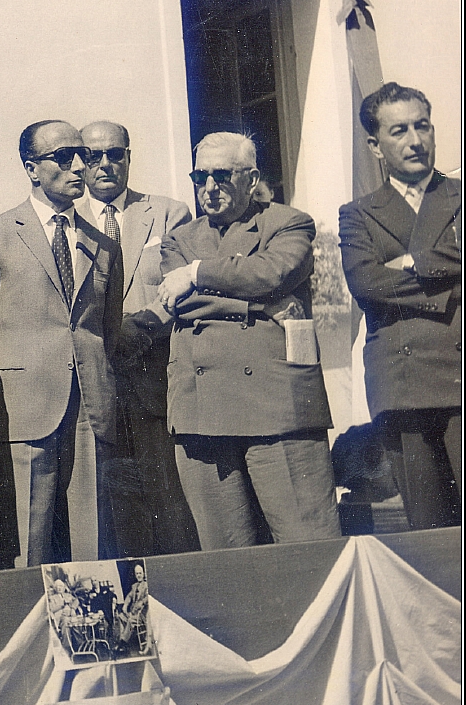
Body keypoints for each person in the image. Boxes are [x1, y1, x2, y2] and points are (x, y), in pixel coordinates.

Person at [159, 132, 342, 549]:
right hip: (203, 412)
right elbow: (181, 305)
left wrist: (197, 273)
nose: (209, 188)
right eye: (199, 176)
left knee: (309, 547)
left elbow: (273, 272)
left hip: (279, 407)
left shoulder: (289, 222)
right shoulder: (178, 239)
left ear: (252, 177)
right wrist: (259, 308)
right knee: (226, 560)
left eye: (221, 176)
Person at [0, 120, 123, 568]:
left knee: (94, 547)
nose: (77, 166)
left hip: (89, 408)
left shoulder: (103, 242)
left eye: (82, 156)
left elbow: (108, 329)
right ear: (32, 169)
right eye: (62, 157)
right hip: (20, 410)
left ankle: (96, 632)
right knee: (26, 544)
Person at [339, 83, 461, 529]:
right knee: (429, 531)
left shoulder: (459, 194)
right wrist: (450, 280)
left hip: (460, 375)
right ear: (375, 145)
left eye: (422, 126)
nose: (415, 140)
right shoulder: (357, 212)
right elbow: (367, 283)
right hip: (402, 385)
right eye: (399, 131)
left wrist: (410, 263)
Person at [78, 120, 200, 557]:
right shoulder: (66, 220)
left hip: (154, 380)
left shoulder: (169, 213)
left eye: (116, 153)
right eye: (94, 156)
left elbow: (184, 285)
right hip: (94, 386)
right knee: (107, 510)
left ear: (129, 156)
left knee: (166, 503)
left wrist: (139, 329)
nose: (106, 164)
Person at [117, 563, 149, 648]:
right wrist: (125, 605)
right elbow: (129, 596)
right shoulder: (134, 586)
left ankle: (123, 642)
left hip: (142, 615)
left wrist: (142, 602)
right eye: (137, 573)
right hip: (134, 613)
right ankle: (123, 638)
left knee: (130, 621)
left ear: (144, 574)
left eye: (140, 573)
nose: (138, 575)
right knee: (120, 616)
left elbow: (148, 597)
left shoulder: (146, 585)